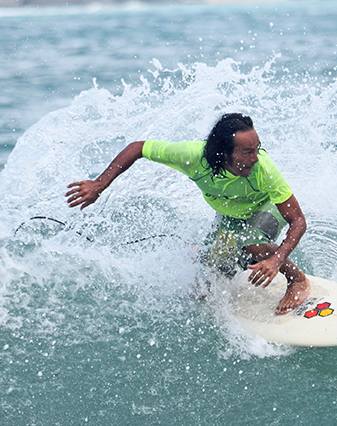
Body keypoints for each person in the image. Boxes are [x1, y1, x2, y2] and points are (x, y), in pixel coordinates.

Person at [65, 113, 310, 315]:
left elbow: (298, 221)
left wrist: (276, 260)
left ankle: (297, 280)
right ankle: (244, 261)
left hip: (264, 208)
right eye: (247, 152)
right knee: (203, 289)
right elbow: (138, 148)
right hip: (230, 217)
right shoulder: (193, 157)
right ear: (224, 152)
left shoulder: (263, 170)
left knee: (255, 246)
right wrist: (100, 183)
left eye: (257, 149)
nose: (256, 158)